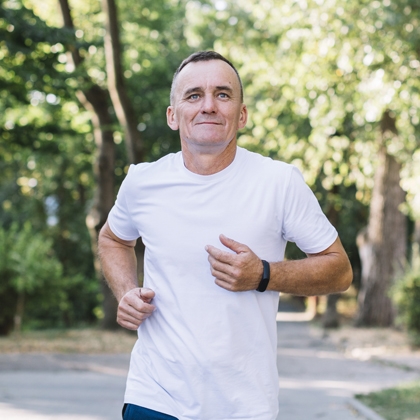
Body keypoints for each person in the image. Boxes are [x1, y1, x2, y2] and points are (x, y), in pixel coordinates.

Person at [98, 51, 353, 420]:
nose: (208, 106)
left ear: (242, 114)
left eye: (222, 94)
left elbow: (340, 271)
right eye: (193, 96)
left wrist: (264, 274)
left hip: (244, 406)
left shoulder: (278, 182)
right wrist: (125, 292)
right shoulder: (143, 181)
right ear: (173, 116)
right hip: (155, 396)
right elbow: (113, 239)